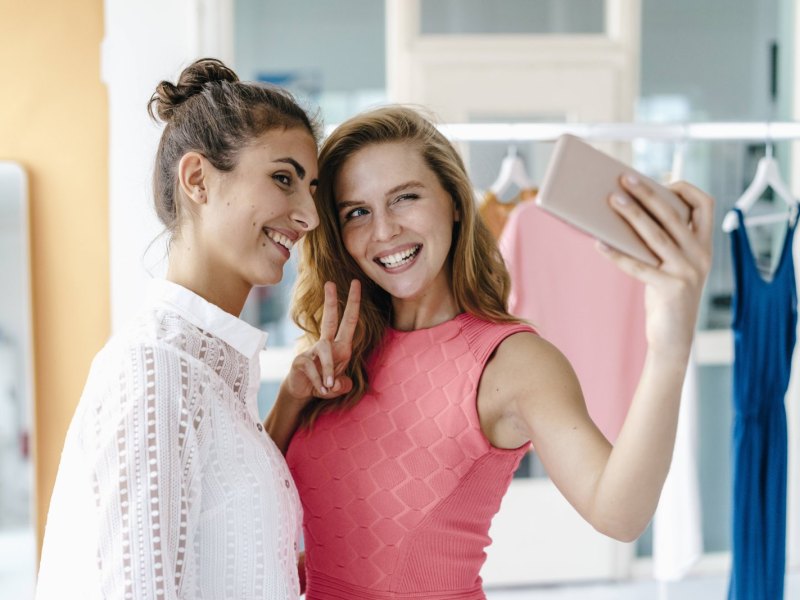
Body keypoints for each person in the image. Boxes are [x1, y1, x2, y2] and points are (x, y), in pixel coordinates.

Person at [272, 106, 714, 599]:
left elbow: (620, 514)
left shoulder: (513, 362)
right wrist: (292, 397)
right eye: (357, 212)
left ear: (455, 202)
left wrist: (670, 347)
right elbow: (275, 503)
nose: (383, 231)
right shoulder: (343, 349)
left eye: (406, 198)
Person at [36, 58, 329, 600]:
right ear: (197, 178)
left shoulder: (208, 372)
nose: (309, 215)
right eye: (283, 178)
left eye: (310, 187)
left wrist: (290, 403)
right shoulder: (156, 372)